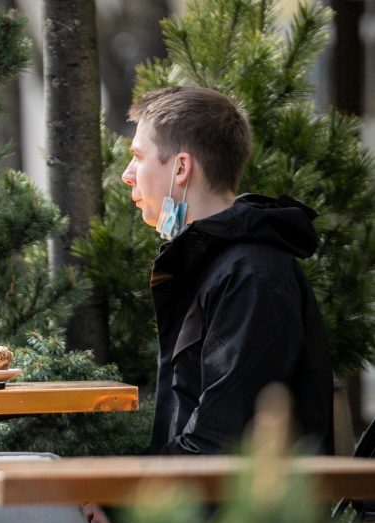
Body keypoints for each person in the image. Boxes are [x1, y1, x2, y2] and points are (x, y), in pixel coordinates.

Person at [121, 86, 334, 457]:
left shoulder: (251, 275)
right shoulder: (210, 263)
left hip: (241, 514)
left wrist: (123, 499)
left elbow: (219, 442)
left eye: (139, 156)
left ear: (181, 168)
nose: (127, 174)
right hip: (188, 505)